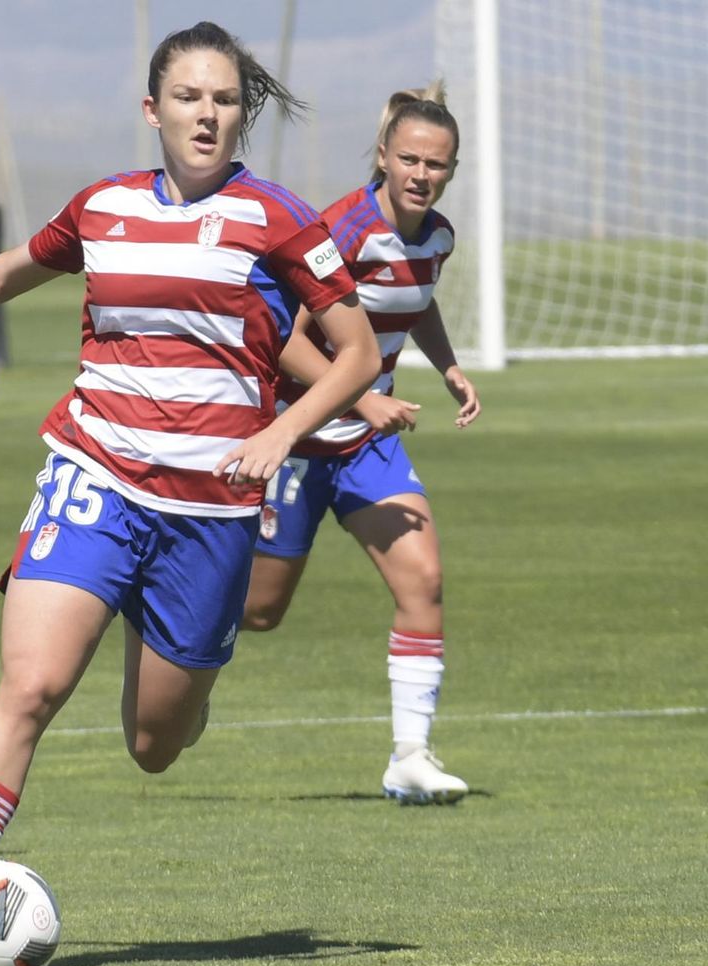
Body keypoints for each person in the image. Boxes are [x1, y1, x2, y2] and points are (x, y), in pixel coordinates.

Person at [0, 21, 380, 966]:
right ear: (152, 110)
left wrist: (278, 432)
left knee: (156, 742)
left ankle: (175, 662)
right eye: (189, 96)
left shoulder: (280, 220)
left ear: (242, 117)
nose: (208, 113)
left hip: (211, 512)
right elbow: (5, 273)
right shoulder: (103, 207)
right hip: (94, 477)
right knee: (30, 686)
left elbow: (354, 353)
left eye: (226, 99)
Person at [241, 82, 482, 805]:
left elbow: (419, 299)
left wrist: (448, 367)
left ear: (450, 170)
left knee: (424, 582)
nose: (420, 174)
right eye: (408, 158)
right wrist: (363, 392)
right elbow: (284, 343)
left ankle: (410, 753)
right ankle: (174, 654)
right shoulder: (339, 232)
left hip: (366, 446)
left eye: (435, 165)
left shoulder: (436, 237)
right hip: (300, 439)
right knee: (259, 612)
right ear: (382, 155)